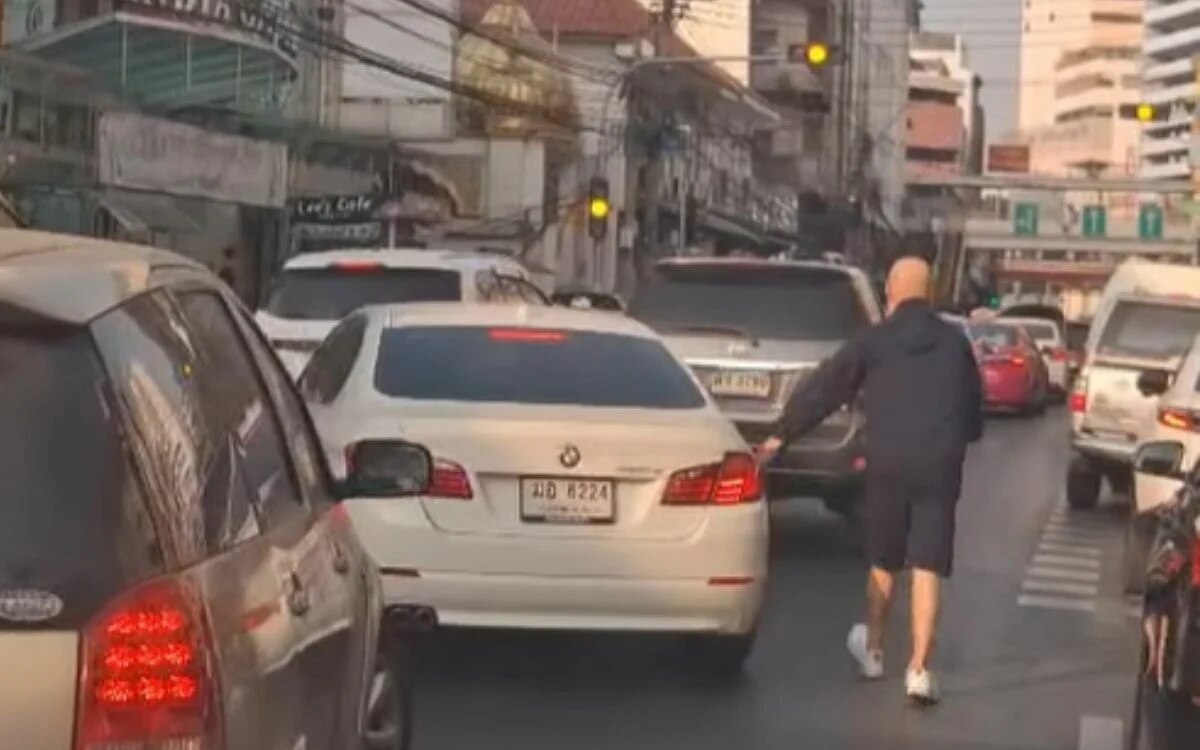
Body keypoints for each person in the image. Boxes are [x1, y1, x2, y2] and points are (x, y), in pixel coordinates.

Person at [756, 255, 983, 704]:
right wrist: (960, 438)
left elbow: (826, 388)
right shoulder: (955, 344)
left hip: (887, 462)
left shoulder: (873, 342)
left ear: (891, 294)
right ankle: (918, 669)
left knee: (883, 560)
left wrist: (780, 436)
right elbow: (974, 410)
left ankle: (875, 652)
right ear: (932, 293)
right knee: (927, 566)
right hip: (938, 465)